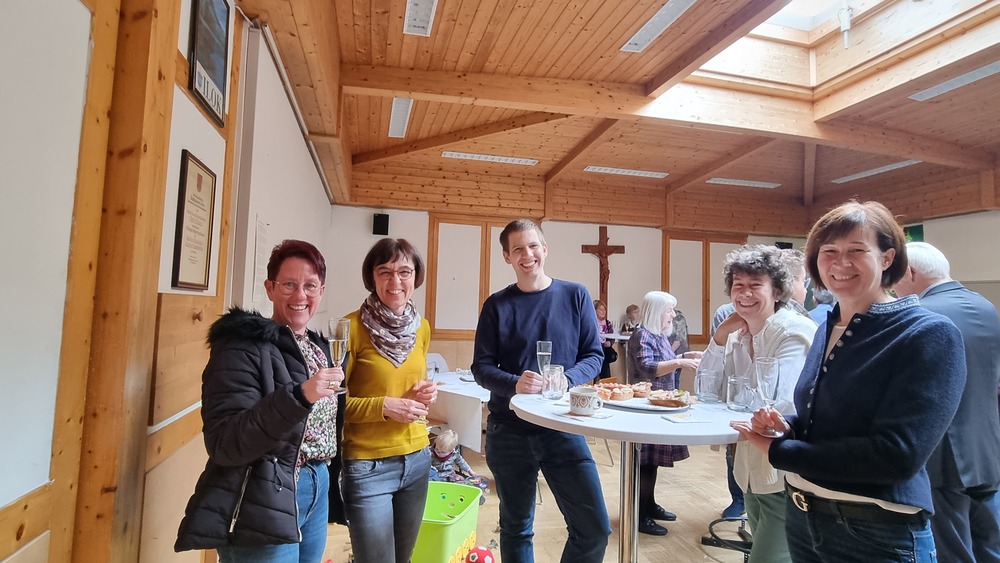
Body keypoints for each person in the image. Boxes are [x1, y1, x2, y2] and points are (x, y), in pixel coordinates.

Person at [733, 201, 967, 562]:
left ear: (887, 258)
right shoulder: (827, 327)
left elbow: (897, 455)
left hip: (874, 529)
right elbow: (828, 419)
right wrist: (788, 427)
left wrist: (780, 451)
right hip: (803, 514)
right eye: (829, 251)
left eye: (856, 250)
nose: (840, 263)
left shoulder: (927, 332)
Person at [175, 239, 346, 562]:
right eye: (289, 284)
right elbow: (226, 442)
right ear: (270, 288)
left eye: (310, 286)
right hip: (264, 495)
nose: (300, 296)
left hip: (317, 484)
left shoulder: (319, 348)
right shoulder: (241, 347)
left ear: (321, 291)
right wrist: (300, 396)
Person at [473, 219, 611, 563]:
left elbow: (593, 355)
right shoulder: (497, 305)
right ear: (507, 257)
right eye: (518, 249)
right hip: (508, 431)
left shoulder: (575, 295)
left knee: (594, 530)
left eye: (533, 246)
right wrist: (513, 383)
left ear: (545, 249)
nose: (527, 254)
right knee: (516, 529)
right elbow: (481, 367)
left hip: (563, 427)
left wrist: (568, 378)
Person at [696, 245, 816, 562]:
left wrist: (736, 401)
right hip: (751, 471)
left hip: (786, 475)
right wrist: (720, 336)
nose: (745, 293)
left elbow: (780, 407)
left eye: (755, 285)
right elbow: (707, 390)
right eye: (738, 285)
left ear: (777, 291)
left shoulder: (792, 332)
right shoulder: (737, 335)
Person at [892, 241, 1000, 562]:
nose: (892, 287)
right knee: (991, 545)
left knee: (953, 551)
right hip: (987, 446)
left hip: (942, 453)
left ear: (910, 272)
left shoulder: (920, 314)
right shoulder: (985, 306)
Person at [342, 238, 437, 563]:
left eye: (404, 272)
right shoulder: (350, 327)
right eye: (385, 272)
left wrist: (425, 394)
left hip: (417, 458)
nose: (395, 281)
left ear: (415, 277)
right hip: (368, 465)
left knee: (403, 558)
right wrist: (384, 407)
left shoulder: (421, 328)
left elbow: (411, 386)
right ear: (372, 277)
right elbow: (331, 405)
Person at [627, 291, 701, 535]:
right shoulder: (641, 334)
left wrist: (684, 356)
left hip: (659, 405)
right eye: (669, 310)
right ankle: (639, 514)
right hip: (645, 408)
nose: (673, 315)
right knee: (645, 463)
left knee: (653, 462)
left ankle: (648, 504)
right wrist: (679, 363)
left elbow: (663, 360)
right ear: (657, 311)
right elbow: (648, 367)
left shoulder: (657, 335)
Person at [429, 429, 490, 504]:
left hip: (451, 475)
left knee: (466, 483)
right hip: (437, 477)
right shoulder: (430, 453)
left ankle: (473, 498)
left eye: (443, 452)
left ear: (451, 450)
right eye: (437, 449)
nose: (438, 453)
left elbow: (460, 462)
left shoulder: (454, 453)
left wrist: (469, 471)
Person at [593, 299, 616, 381]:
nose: (603, 312)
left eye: (605, 310)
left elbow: (612, 336)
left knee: (606, 375)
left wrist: (610, 343)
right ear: (595, 310)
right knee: (593, 373)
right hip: (594, 351)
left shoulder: (607, 323)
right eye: (601, 309)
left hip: (605, 352)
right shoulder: (591, 322)